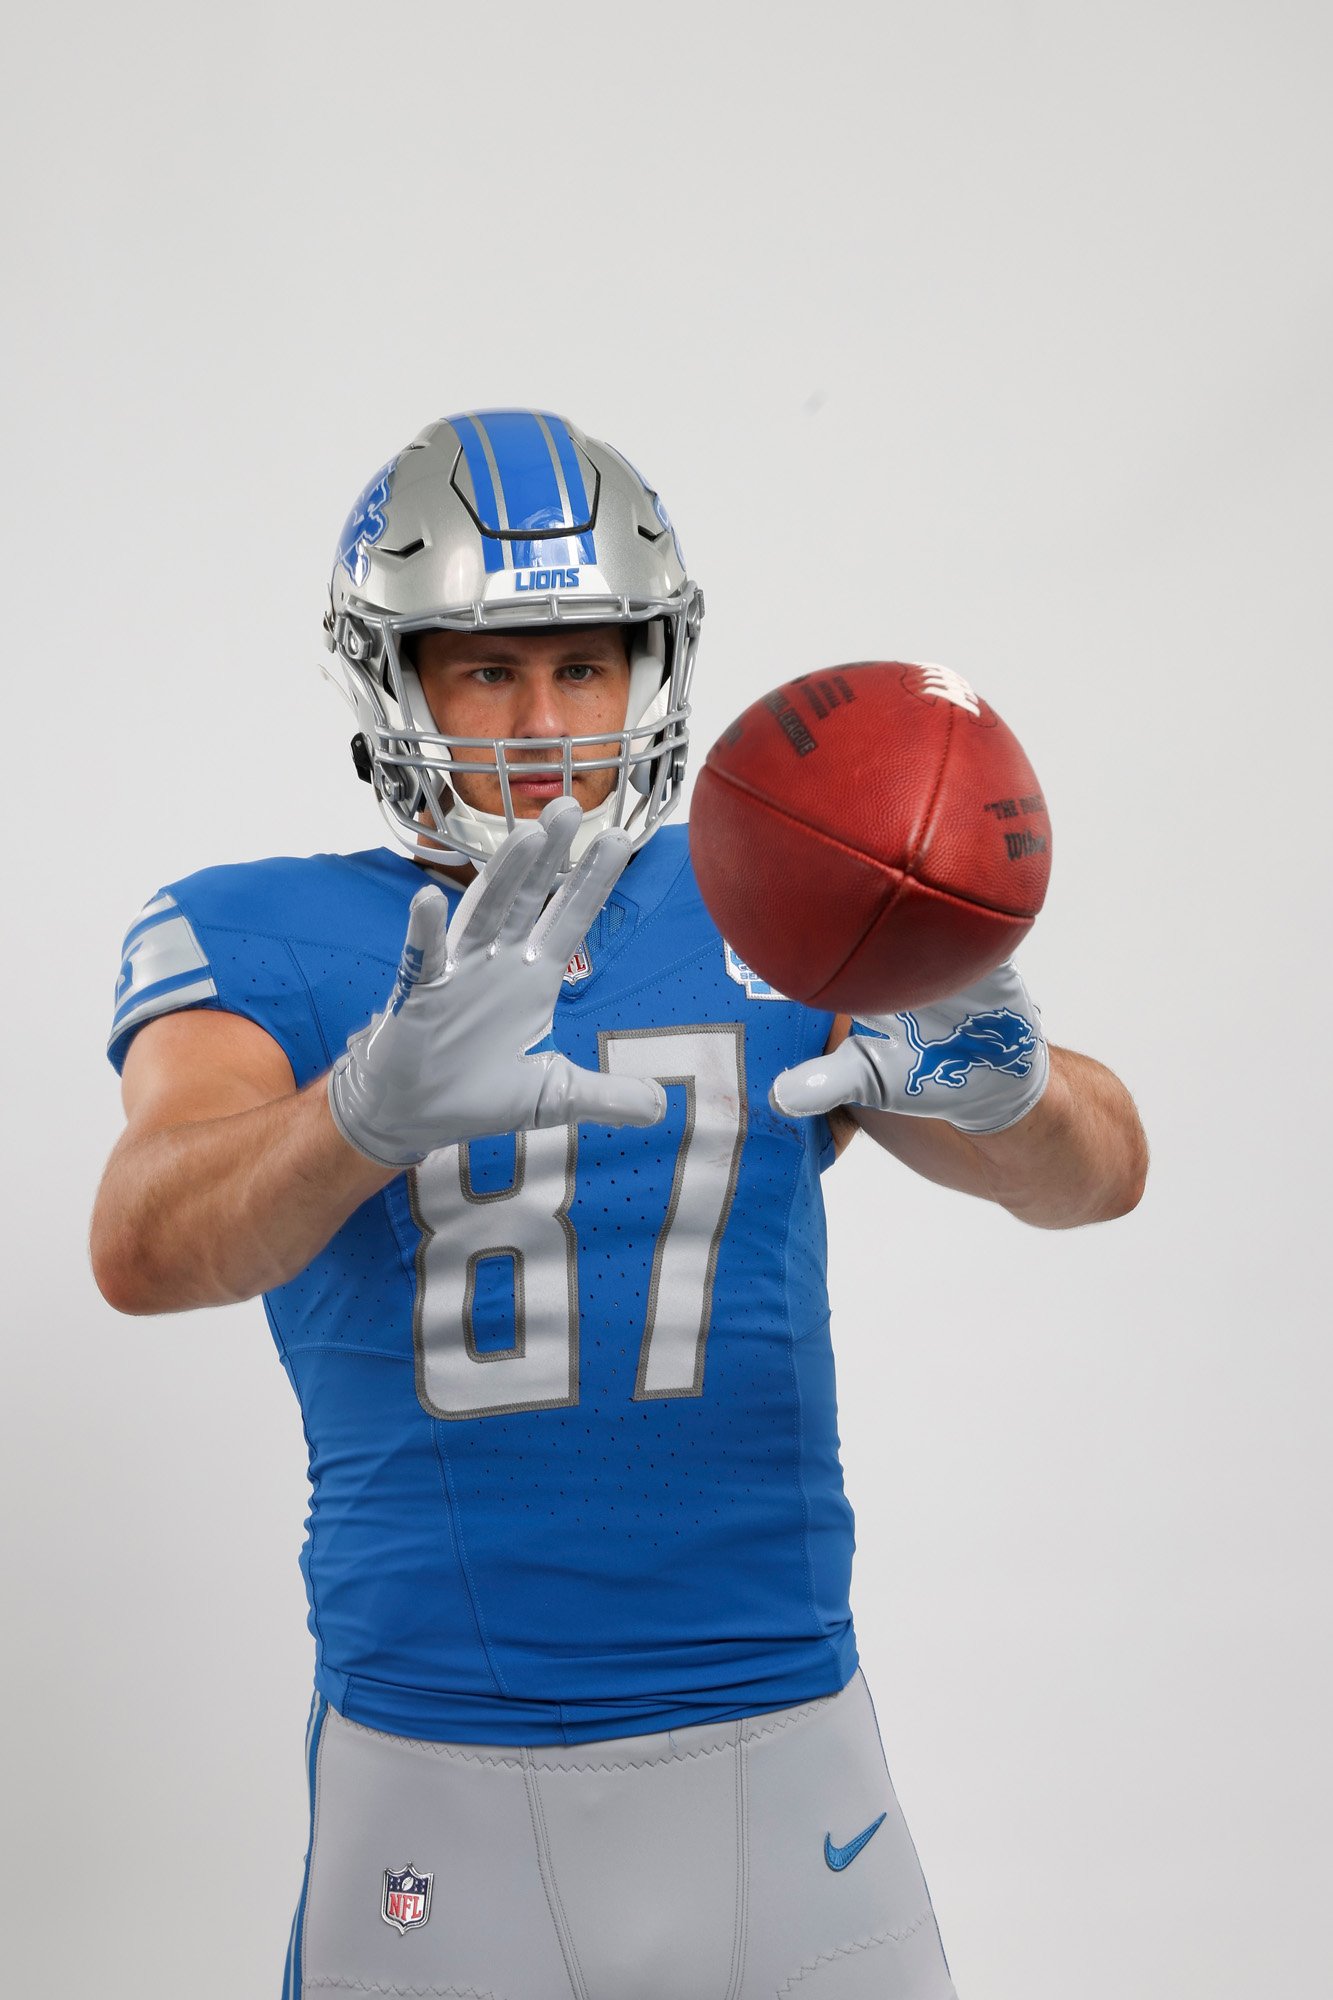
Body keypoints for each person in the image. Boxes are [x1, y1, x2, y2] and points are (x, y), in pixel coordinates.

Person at [92, 410, 1147, 2000]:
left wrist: (1016, 1089)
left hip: (793, 1749)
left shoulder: (772, 901)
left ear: (649, 672)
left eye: (583, 666)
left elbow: (1099, 1179)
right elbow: (144, 1244)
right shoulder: (275, 936)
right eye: (485, 669)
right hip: (441, 1763)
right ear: (396, 681)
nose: (540, 723)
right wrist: (363, 1108)